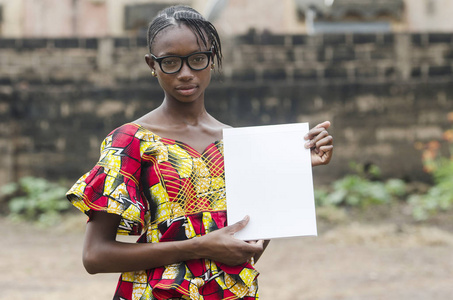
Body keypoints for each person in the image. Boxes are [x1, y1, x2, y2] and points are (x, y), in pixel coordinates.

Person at [66, 5, 333, 300]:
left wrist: (292, 166)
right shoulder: (131, 142)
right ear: (151, 64)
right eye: (170, 62)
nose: (185, 73)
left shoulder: (238, 144)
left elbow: (248, 253)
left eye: (197, 59)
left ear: (212, 61)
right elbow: (95, 256)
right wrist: (199, 245)